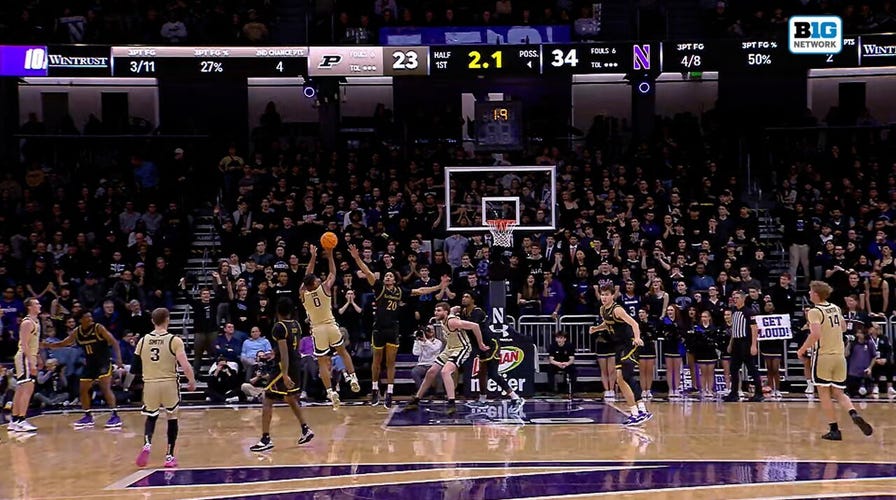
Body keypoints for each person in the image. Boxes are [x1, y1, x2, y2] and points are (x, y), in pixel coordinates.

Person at [348, 244, 447, 408]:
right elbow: (367, 271)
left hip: (392, 328)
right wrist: (357, 257)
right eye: (386, 276)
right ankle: (374, 390)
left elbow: (420, 290)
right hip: (378, 328)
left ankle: (389, 392)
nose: (387, 278)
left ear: (394, 280)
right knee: (376, 361)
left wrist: (439, 287)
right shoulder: (379, 287)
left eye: (390, 276)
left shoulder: (400, 291)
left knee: (391, 362)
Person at [796, 281, 873, 441]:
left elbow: (816, 334)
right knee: (839, 393)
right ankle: (853, 412)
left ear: (816, 294)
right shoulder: (835, 308)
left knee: (824, 394)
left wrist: (802, 349)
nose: (809, 294)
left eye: (810, 292)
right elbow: (844, 328)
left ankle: (834, 430)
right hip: (839, 357)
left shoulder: (814, 311)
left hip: (823, 356)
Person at [133, 308, 197, 468]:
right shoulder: (174, 340)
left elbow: (135, 366)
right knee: (172, 418)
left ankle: (147, 443)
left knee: (151, 416)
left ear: (152, 321)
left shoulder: (143, 340)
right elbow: (185, 364)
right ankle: (169, 456)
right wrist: (192, 380)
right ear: (167, 320)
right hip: (169, 383)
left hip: (150, 383)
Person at [249, 298, 314, 452]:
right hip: (296, 365)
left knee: (267, 398)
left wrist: (284, 374)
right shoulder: (296, 325)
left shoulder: (279, 327)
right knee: (290, 398)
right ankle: (306, 429)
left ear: (278, 311)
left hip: (283, 369)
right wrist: (273, 353)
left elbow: (285, 353)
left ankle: (265, 438)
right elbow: (290, 348)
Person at [42, 311, 124, 428]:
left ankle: (115, 415)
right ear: (81, 320)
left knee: (104, 387)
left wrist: (118, 359)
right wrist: (46, 345)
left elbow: (114, 342)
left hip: (103, 362)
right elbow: (63, 343)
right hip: (90, 364)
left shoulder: (98, 328)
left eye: (91, 316)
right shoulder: (77, 332)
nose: (90, 318)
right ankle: (87, 416)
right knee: (83, 389)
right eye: (87, 316)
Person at [301, 245, 361, 408]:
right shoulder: (325, 289)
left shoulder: (303, 293)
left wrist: (313, 257)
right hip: (331, 326)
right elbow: (333, 273)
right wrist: (331, 254)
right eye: (316, 279)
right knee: (343, 352)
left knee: (322, 361)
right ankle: (353, 377)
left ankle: (330, 391)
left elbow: (307, 275)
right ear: (315, 282)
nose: (318, 279)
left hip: (317, 330)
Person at [403, 302, 488, 415]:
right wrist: (453, 309)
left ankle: (451, 403)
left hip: (461, 347)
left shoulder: (452, 321)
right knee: (431, 372)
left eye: (439, 310)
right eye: (435, 310)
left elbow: (475, 326)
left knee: (445, 371)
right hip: (450, 348)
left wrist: (481, 344)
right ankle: (416, 400)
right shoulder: (445, 317)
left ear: (445, 312)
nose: (436, 312)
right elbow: (452, 310)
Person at [590, 286, 652, 426]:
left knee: (623, 376)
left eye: (606, 295)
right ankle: (638, 411)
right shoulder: (602, 310)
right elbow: (608, 323)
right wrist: (597, 328)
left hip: (629, 344)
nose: (604, 297)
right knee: (621, 379)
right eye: (602, 295)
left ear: (613, 296)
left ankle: (638, 411)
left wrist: (637, 338)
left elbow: (634, 323)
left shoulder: (618, 309)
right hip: (618, 346)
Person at [460, 291, 523, 410]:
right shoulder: (463, 312)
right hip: (481, 346)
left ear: (473, 300)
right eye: (463, 296)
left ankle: (515, 397)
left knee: (493, 374)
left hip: (491, 344)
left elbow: (474, 327)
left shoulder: (478, 312)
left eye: (467, 297)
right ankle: (483, 400)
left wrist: (480, 344)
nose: (463, 298)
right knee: (481, 374)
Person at [722, 290, 764, 402]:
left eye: (737, 298)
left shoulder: (749, 312)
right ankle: (734, 392)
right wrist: (731, 344)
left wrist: (754, 345)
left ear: (743, 299)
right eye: (734, 298)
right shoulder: (734, 311)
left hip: (746, 342)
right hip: (736, 342)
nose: (735, 300)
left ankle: (759, 393)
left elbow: (754, 328)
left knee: (751, 368)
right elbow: (734, 329)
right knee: (733, 368)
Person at [9, 298, 41, 432]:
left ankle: (14, 420)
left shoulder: (36, 321)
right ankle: (21, 420)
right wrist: (31, 361)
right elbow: (25, 344)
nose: (39, 306)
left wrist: (37, 357)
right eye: (36, 304)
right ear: (29, 307)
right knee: (27, 388)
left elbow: (33, 343)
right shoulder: (27, 322)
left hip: (28, 356)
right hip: (24, 356)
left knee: (21, 389)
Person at [411, 324, 443, 395]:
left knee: (440, 370)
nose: (430, 331)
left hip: (434, 364)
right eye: (428, 329)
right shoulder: (420, 342)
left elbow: (434, 349)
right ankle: (422, 391)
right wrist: (417, 341)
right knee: (414, 372)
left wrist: (426, 341)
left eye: (432, 329)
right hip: (422, 365)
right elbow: (416, 353)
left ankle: (440, 392)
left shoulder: (438, 342)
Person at [547, 331, 577, 396]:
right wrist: (558, 364)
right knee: (550, 369)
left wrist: (567, 363)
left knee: (573, 370)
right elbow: (551, 360)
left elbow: (572, 359)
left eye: (561, 338)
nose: (559, 340)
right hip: (556, 364)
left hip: (566, 364)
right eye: (558, 338)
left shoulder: (569, 346)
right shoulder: (552, 346)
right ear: (556, 339)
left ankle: (571, 390)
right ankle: (553, 390)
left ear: (565, 339)